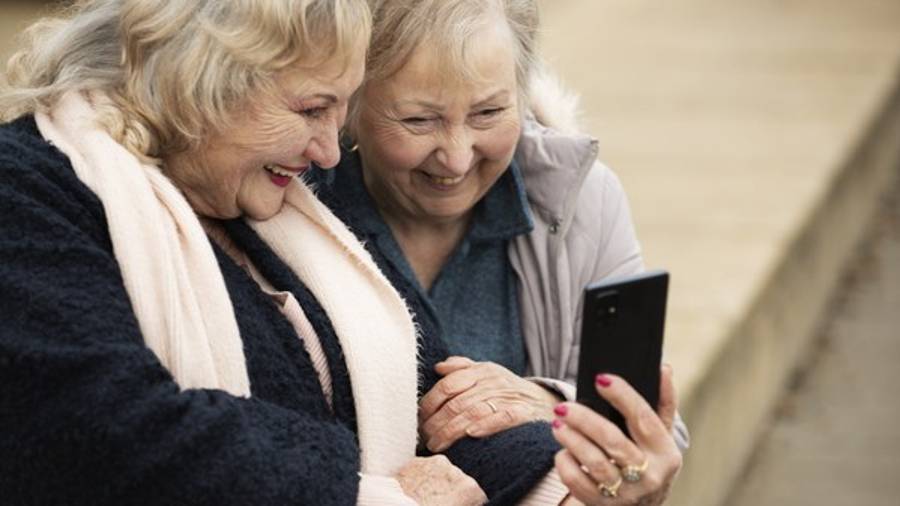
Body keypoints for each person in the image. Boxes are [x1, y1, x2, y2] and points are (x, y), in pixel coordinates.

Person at [0, 1, 564, 504]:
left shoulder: (285, 206)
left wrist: (561, 485)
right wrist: (376, 496)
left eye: (340, 109)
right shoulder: (26, 192)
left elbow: (435, 403)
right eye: (312, 109)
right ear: (199, 80)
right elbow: (97, 429)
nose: (329, 152)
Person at [306, 0, 687, 503]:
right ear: (349, 105)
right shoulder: (292, 209)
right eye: (419, 120)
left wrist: (551, 403)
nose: (457, 157)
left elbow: (652, 426)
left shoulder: (582, 201)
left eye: (488, 112)